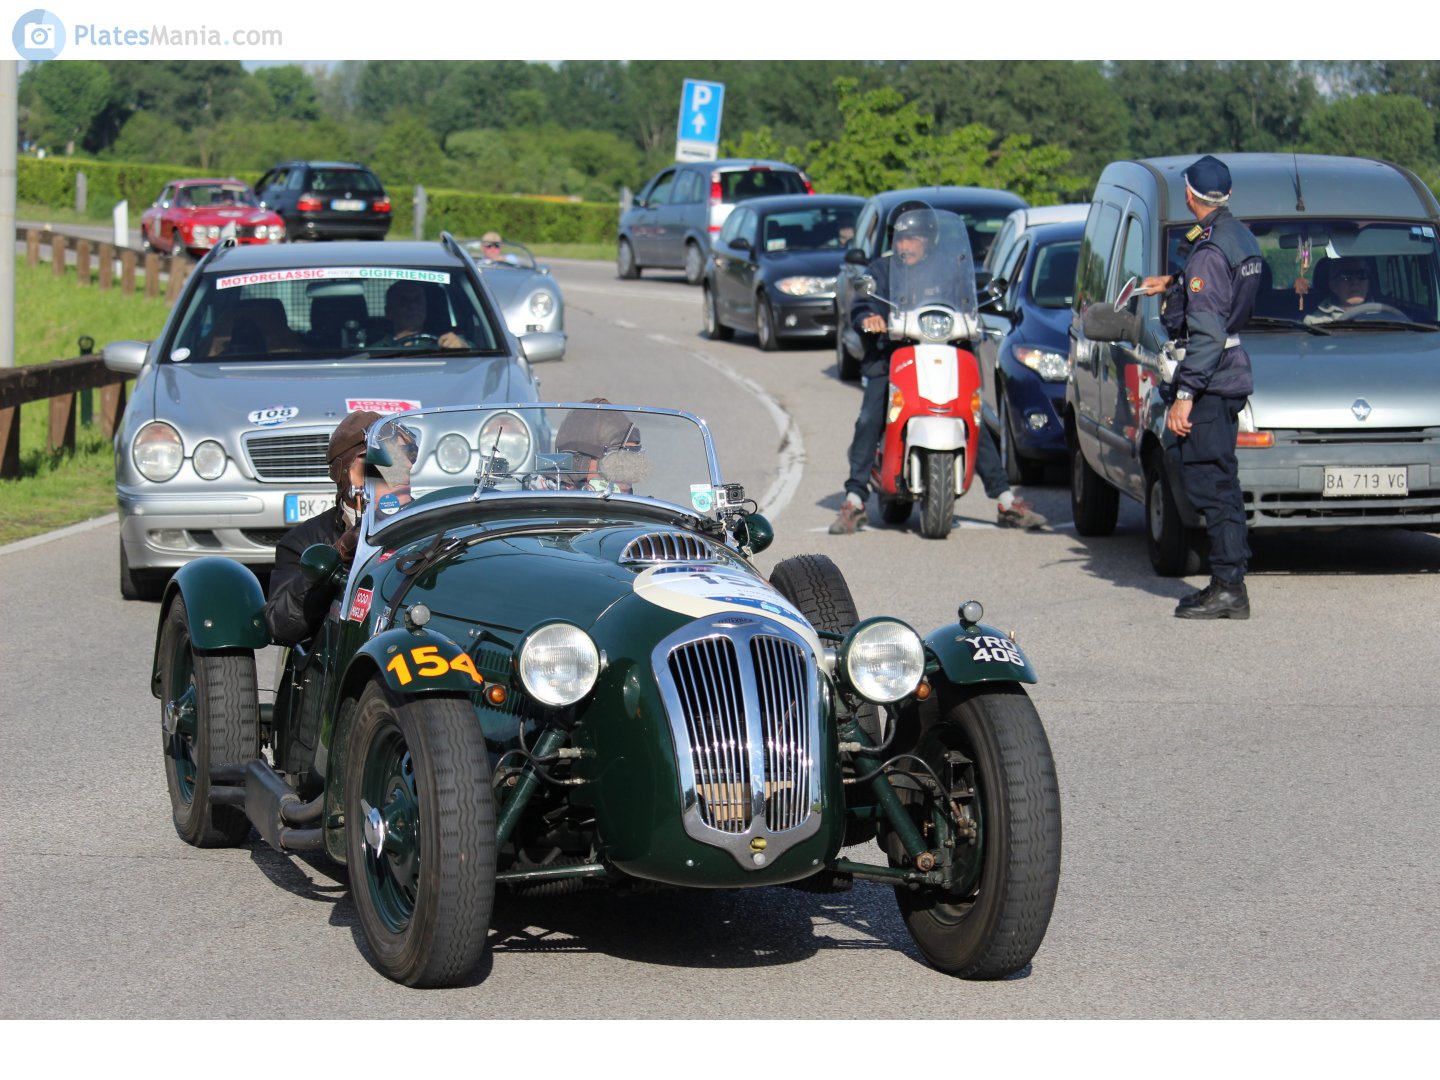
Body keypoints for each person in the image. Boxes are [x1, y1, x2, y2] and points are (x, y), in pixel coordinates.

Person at [829, 206, 1047, 534]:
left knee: (972, 415)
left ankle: (1005, 500)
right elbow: (864, 303)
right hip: (891, 358)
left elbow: (969, 299)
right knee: (870, 417)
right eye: (900, 238)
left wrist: (979, 310)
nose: (905, 245)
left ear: (929, 240)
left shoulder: (950, 270)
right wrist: (868, 319)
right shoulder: (881, 271)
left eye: (913, 238)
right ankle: (855, 500)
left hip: (943, 353)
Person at [1141, 154, 1262, 620]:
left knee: (1209, 484)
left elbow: (1208, 332)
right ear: (1226, 195)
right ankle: (1228, 579)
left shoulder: (1209, 250)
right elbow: (1219, 287)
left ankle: (1229, 586)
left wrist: (1185, 396)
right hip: (1229, 372)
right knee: (1222, 480)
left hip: (1210, 378)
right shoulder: (1237, 235)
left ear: (1190, 195)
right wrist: (1173, 282)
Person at [264, 409, 380, 645]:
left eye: (396, 459)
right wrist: (337, 555)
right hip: (341, 652)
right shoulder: (302, 541)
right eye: (370, 463)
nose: (384, 472)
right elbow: (281, 626)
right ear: (342, 471)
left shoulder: (427, 525)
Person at [547, 398, 646, 492]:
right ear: (578, 465)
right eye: (614, 466)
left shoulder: (631, 502)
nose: (625, 485)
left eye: (631, 466)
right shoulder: (541, 501)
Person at [370, 280, 470, 350]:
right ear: (388, 312)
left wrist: (464, 347)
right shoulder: (375, 351)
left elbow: (477, 353)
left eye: (417, 300)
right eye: (404, 301)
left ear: (425, 306)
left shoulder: (448, 343)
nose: (412, 306)